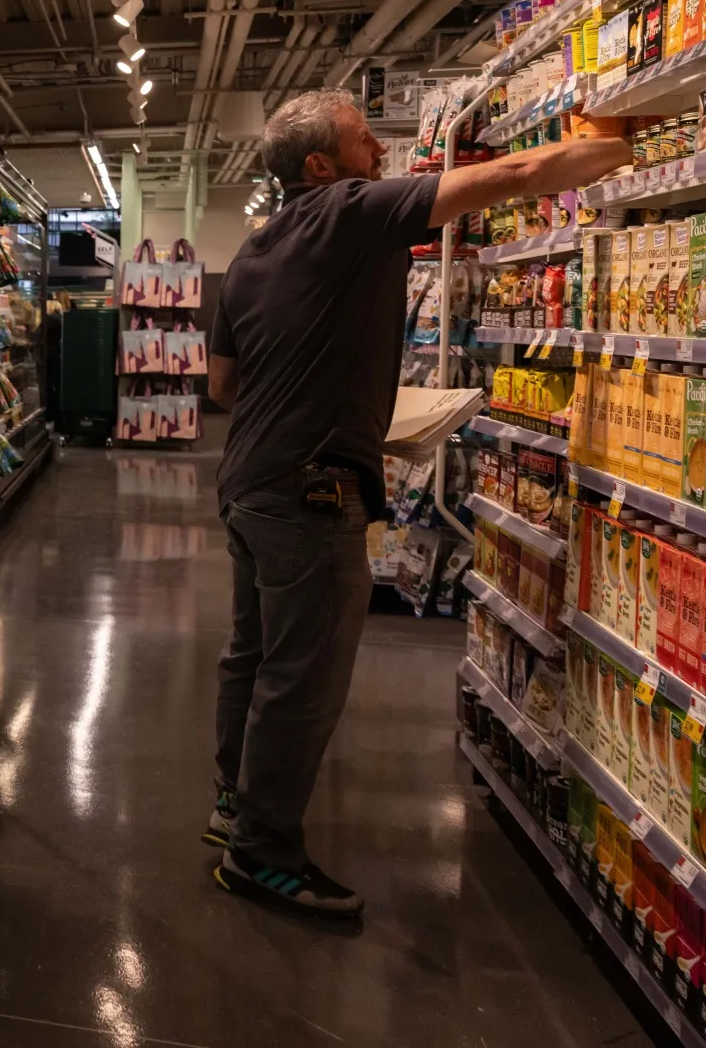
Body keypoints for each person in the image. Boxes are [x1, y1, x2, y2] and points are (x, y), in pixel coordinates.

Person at [204, 88, 628, 919]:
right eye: (368, 144)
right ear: (322, 168)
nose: (385, 156)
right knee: (302, 680)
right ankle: (262, 855)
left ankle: (233, 807)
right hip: (311, 492)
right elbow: (521, 171)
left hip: (251, 482)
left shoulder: (253, 253)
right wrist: (624, 145)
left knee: (251, 658)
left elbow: (223, 386)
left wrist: (315, 395)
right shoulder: (350, 210)